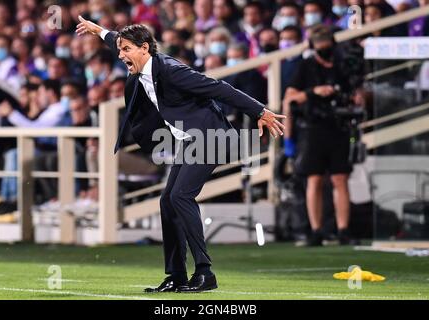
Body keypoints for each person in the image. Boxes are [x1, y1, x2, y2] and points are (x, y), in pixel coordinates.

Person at [76, 16, 285, 293]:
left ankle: (204, 272)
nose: (121, 54)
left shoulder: (172, 70)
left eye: (126, 49)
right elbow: (114, 37)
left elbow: (219, 88)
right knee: (167, 201)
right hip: (189, 141)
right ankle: (176, 275)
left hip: (211, 137)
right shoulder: (140, 65)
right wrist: (98, 30)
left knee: (180, 196)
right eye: (120, 50)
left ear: (145, 49)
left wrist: (260, 111)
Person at [283, 24, 353, 246]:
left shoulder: (343, 65)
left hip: (339, 126)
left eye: (326, 41)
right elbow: (290, 99)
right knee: (313, 179)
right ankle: (316, 229)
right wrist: (314, 92)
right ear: (313, 45)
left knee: (340, 178)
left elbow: (356, 91)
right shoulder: (306, 66)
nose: (324, 46)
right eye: (319, 42)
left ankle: (343, 229)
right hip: (312, 128)